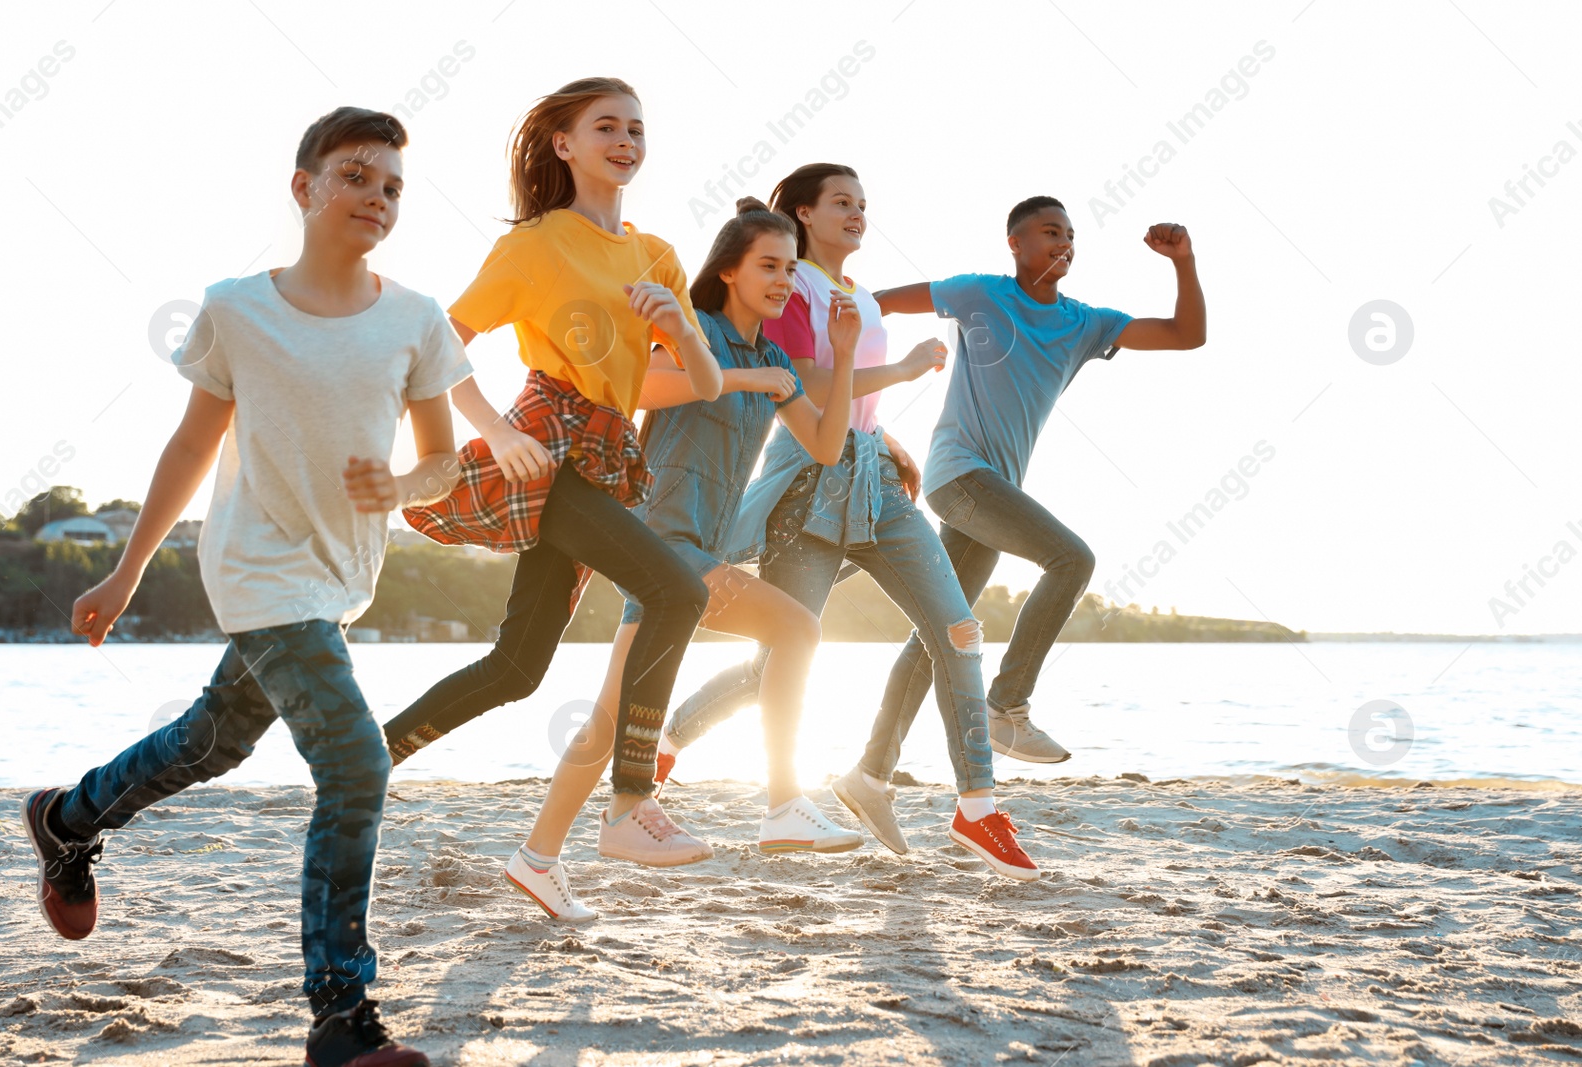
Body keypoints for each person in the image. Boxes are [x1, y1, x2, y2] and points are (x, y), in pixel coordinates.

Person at [21, 107, 471, 1067]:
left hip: (339, 577)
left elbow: (443, 462)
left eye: (392, 185)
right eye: (355, 175)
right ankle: (339, 1017)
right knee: (356, 767)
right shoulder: (237, 307)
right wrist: (127, 567)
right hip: (257, 567)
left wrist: (401, 485)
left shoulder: (417, 318)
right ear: (303, 186)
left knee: (210, 742)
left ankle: (68, 817)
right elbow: (193, 442)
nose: (376, 196)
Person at [656, 164, 1044, 882]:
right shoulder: (792, 283)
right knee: (782, 653)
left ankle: (978, 804)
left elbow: (844, 403)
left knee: (957, 626)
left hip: (871, 478)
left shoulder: (859, 294)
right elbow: (804, 387)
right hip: (810, 485)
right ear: (802, 212)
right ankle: (673, 744)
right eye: (842, 202)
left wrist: (886, 440)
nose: (859, 213)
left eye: (864, 203)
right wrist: (898, 372)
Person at [380, 78, 725, 871]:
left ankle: (371, 758)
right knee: (680, 591)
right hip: (545, 444)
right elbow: (436, 348)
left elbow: (702, 383)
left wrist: (680, 327)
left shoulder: (656, 254)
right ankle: (631, 803)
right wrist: (495, 433)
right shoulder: (535, 245)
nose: (627, 140)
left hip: (606, 457)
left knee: (518, 667)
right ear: (564, 144)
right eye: (606, 126)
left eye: (637, 127)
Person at [504, 199, 866, 921]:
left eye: (791, 269)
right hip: (659, 539)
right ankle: (782, 801)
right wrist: (740, 382)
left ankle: (536, 857)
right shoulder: (693, 332)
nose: (783, 280)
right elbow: (638, 388)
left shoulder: (771, 359)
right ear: (728, 270)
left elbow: (825, 446)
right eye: (768, 265)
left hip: (697, 549)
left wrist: (846, 351)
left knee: (608, 719)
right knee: (797, 630)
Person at [863, 196, 1205, 792]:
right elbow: (880, 304)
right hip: (960, 477)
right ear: (1015, 243)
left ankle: (870, 772)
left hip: (989, 493)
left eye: (1071, 235)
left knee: (941, 634)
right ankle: (1007, 706)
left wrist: (1183, 262)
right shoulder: (979, 293)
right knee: (1071, 559)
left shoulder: (1085, 323)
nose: (1064, 242)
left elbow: (1187, 336)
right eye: (1050, 231)